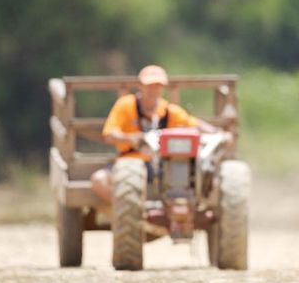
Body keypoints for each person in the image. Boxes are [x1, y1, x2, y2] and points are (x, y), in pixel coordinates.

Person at [91, 64, 219, 204]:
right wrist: (132, 139)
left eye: (158, 86)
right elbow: (109, 134)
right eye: (150, 85)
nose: (154, 90)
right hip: (128, 163)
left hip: (157, 166)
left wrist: (219, 133)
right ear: (140, 86)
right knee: (99, 180)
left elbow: (194, 124)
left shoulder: (169, 111)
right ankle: (131, 213)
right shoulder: (126, 105)